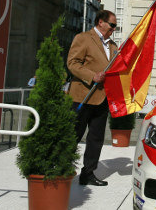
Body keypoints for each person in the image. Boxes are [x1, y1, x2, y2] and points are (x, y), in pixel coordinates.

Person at [67, 10, 118, 186]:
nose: (114, 29)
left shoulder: (113, 45)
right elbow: (72, 63)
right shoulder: (83, 38)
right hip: (82, 97)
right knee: (73, 135)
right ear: (100, 22)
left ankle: (88, 173)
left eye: (115, 26)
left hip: (102, 98)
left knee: (96, 139)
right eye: (112, 25)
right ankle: (61, 169)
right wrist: (91, 75)